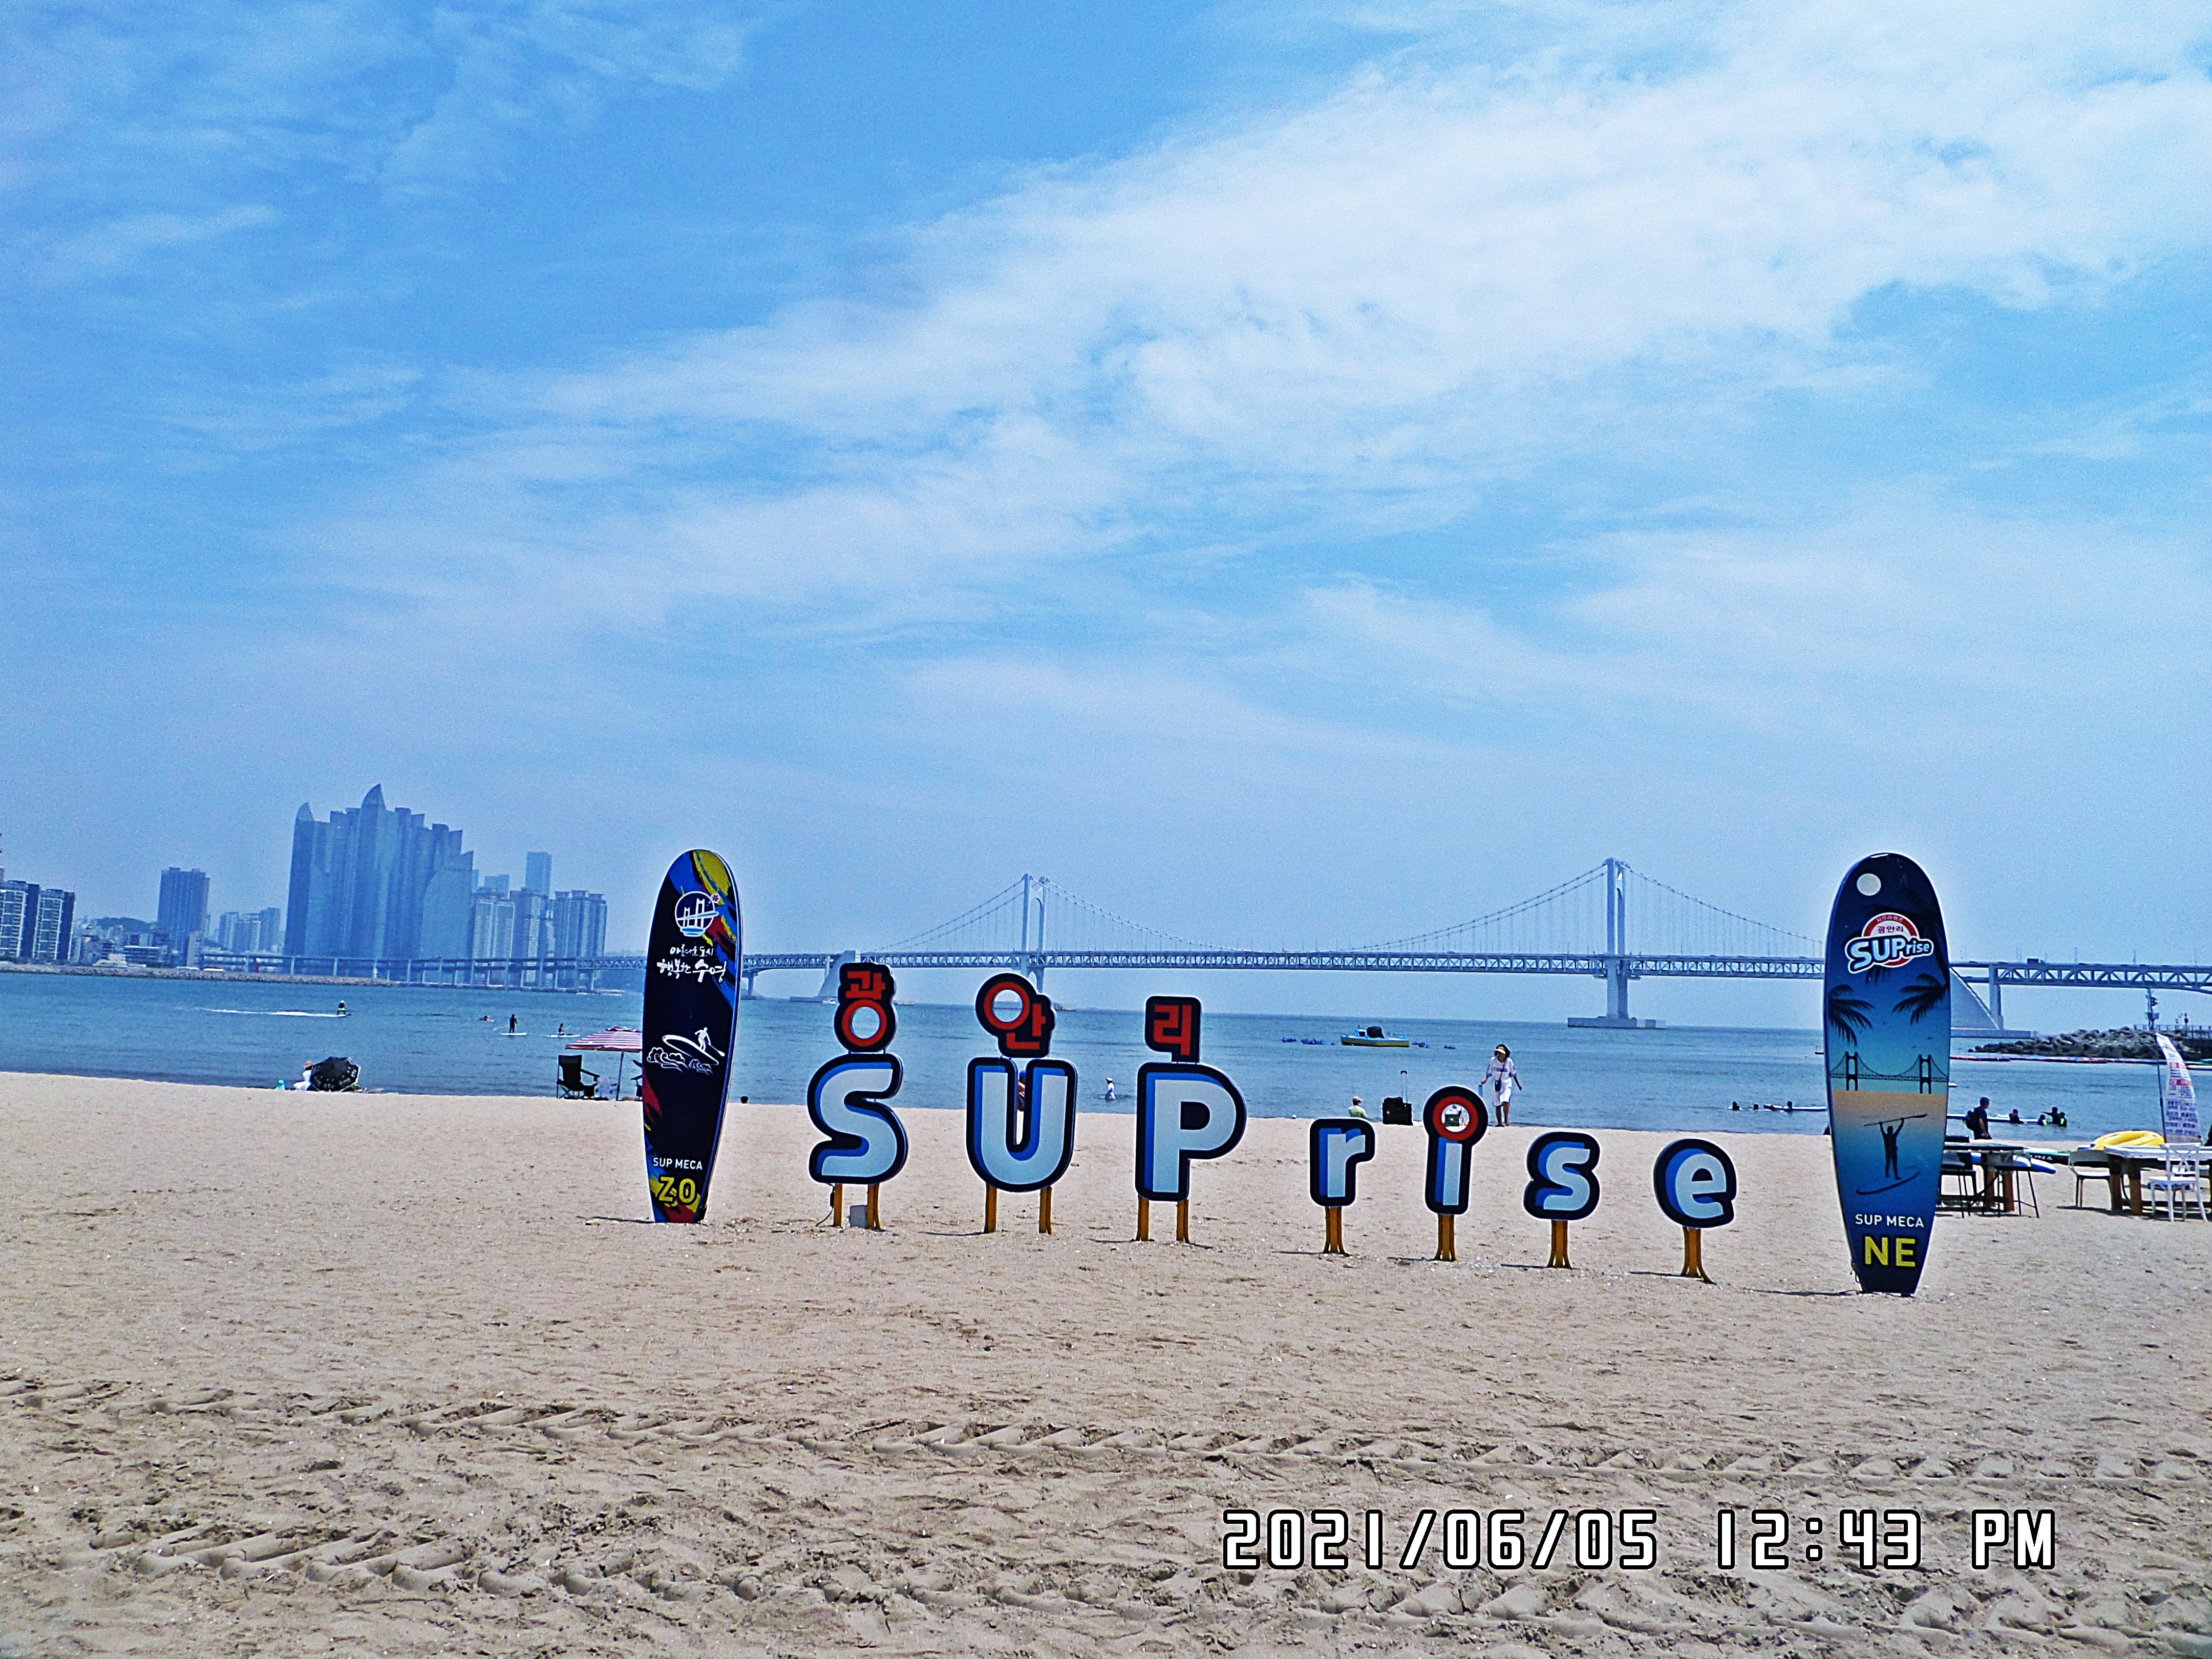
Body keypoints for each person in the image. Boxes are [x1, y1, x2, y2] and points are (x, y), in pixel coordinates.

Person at [1483, 1045, 1521, 1126]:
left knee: (1506, 1102)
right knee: (1498, 1105)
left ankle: (1507, 1120)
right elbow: (1489, 1071)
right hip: (1497, 1084)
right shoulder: (1493, 1060)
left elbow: (1514, 1074)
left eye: (1501, 1053)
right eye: (1498, 1053)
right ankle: (1499, 1123)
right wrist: (1485, 1080)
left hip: (1507, 1083)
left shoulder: (1509, 1062)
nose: (1499, 1054)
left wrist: (1519, 1084)